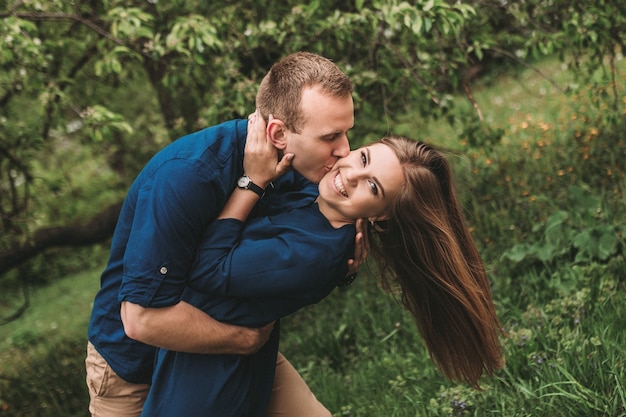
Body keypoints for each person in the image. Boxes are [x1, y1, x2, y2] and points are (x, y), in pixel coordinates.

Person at [139, 114, 505, 416]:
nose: (349, 175)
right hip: (203, 356)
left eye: (372, 187)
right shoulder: (316, 194)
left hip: (206, 386)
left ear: (381, 217)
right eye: (362, 159)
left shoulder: (314, 253)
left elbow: (206, 269)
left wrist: (251, 183)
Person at [85, 52, 365, 417]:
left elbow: (300, 250)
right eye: (331, 137)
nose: (344, 150)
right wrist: (244, 340)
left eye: (347, 133)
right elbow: (140, 321)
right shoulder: (186, 176)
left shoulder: (308, 167)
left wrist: (343, 266)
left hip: (222, 352)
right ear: (278, 133)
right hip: (137, 365)